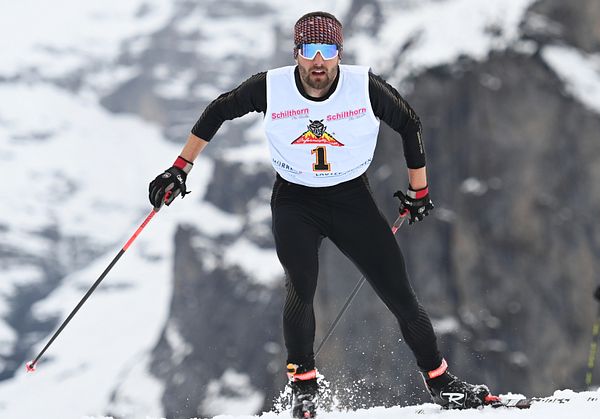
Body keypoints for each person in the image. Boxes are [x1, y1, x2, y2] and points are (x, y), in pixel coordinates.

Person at [148, 11, 497, 418]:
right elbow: (218, 110)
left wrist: (419, 190)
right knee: (300, 286)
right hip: (295, 201)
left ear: (339, 54)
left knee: (400, 294)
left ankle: (440, 382)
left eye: (327, 51)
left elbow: (409, 123)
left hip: (351, 199)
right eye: (308, 51)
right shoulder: (271, 87)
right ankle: (304, 389)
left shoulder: (363, 86)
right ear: (296, 54)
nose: (318, 61)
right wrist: (179, 168)